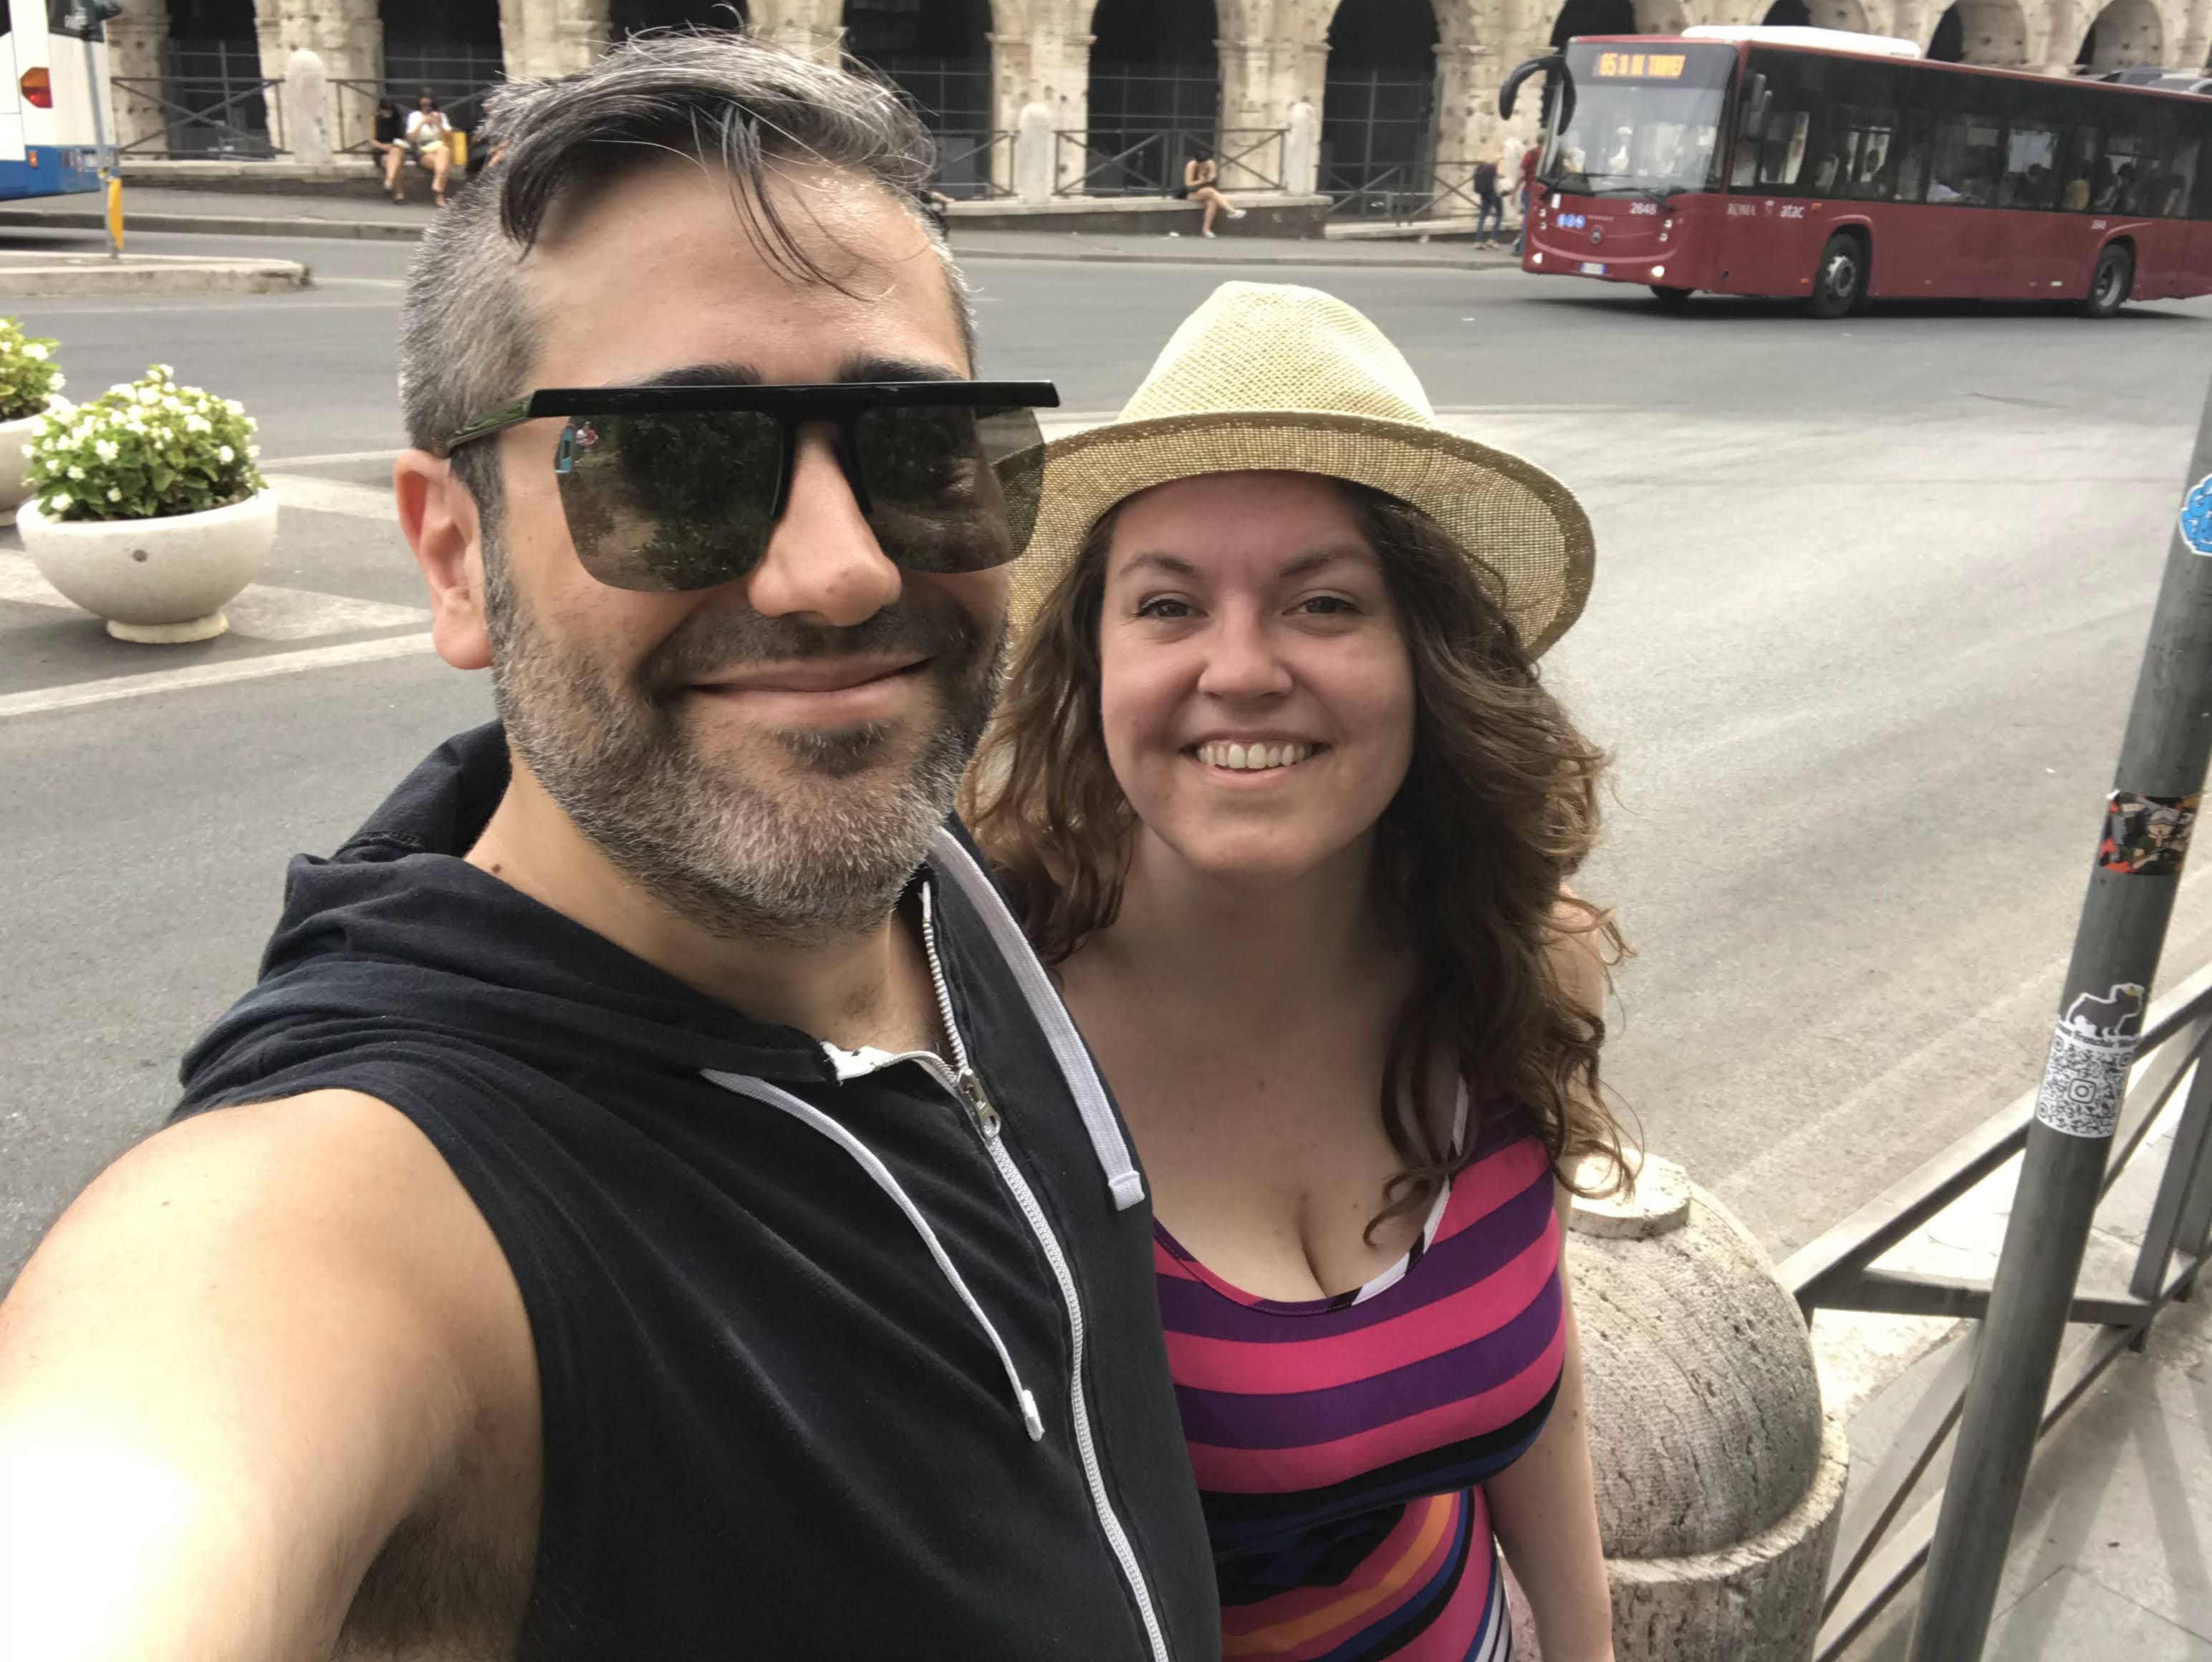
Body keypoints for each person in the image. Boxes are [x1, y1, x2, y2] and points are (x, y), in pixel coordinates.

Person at [0, 34, 1220, 1662]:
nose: (840, 573)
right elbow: (124, 1498)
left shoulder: (939, 879)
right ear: (456, 554)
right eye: (676, 464)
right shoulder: (359, 1205)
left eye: (920, 448)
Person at [967, 281, 1626, 1660]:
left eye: (1322, 602)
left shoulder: (1518, 966)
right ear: (1093, 666)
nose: (1240, 669)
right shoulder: (986, 1030)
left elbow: (1536, 1381)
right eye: (1166, 605)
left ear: (1427, 659)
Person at [1178, 150, 1246, 239]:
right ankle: (1231, 211)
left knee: (1212, 202)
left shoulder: (1211, 163)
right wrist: (1202, 180)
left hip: (1205, 190)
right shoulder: (1191, 165)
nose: (1204, 166)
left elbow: (1213, 176)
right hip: (1191, 192)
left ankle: (1206, 230)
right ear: (1197, 162)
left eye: (1205, 163)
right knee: (1211, 191)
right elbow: (1188, 184)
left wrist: (1211, 176)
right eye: (1202, 164)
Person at [405, 90, 454, 207]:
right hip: (423, 151)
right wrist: (422, 122)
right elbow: (411, 138)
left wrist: (439, 124)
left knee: (444, 151)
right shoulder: (414, 116)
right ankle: (439, 194)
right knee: (445, 163)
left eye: (429, 105)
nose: (426, 108)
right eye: (424, 105)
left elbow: (449, 137)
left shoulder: (441, 116)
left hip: (439, 149)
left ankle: (438, 187)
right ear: (419, 104)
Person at [371, 97, 408, 201]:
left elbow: (404, 138)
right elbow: (372, 140)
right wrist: (383, 146)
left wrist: (395, 145)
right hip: (381, 151)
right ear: (380, 109)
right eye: (385, 111)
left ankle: (389, 180)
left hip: (397, 149)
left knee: (395, 152)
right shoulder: (375, 119)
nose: (387, 113)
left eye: (389, 111)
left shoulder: (399, 119)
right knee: (395, 164)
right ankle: (399, 192)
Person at [1473, 149, 1504, 242]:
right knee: (1499, 214)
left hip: (1483, 193)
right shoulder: (1495, 165)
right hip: (1494, 194)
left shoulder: (1481, 166)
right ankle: (1492, 239)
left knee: (1482, 217)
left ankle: (1478, 241)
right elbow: (1500, 176)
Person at [1517, 140, 1540, 254]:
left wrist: (1514, 191)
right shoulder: (1551, 153)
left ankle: (1523, 248)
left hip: (1529, 191)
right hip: (1544, 192)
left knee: (1527, 220)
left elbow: (1521, 175)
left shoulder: (1530, 154)